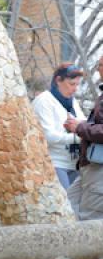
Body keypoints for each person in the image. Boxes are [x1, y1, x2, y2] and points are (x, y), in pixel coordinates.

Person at [32, 62, 85, 190]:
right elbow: (47, 136)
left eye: (77, 84)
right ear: (58, 80)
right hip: (54, 163)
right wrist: (78, 137)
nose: (75, 88)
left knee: (76, 208)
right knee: (65, 207)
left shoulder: (72, 101)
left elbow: (83, 122)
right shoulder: (44, 101)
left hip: (74, 164)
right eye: (72, 84)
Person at [65, 56, 103, 220]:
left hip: (99, 171)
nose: (97, 69)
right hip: (90, 167)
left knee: (90, 222)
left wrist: (79, 127)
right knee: (65, 210)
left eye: (100, 65)